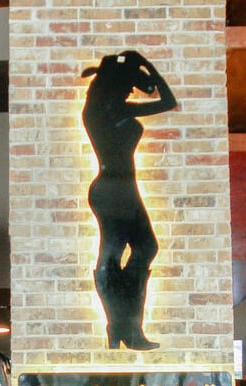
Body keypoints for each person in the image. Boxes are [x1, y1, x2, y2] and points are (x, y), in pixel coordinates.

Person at [81, 50, 177, 351]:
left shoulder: (103, 109)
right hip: (114, 191)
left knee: (141, 249)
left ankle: (124, 327)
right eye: (126, 86)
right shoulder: (110, 110)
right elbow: (168, 101)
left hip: (121, 189)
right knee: (114, 255)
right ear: (114, 84)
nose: (130, 91)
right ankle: (125, 328)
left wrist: (144, 65)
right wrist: (146, 64)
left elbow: (163, 99)